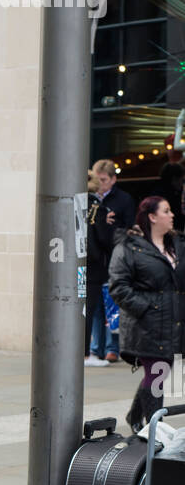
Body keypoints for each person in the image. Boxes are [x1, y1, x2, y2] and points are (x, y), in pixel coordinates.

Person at [107, 195, 185, 433]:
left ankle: (135, 415)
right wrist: (147, 308)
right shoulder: (129, 247)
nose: (172, 215)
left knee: (164, 374)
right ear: (152, 217)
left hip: (176, 323)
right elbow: (119, 286)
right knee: (158, 375)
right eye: (166, 211)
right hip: (147, 324)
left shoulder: (178, 244)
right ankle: (155, 432)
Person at [85, 170, 116, 367]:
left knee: (85, 310)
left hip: (81, 265)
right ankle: (87, 353)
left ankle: (87, 351)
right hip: (96, 267)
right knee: (92, 309)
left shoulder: (77, 205)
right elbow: (105, 238)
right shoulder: (98, 208)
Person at [159, 139, 185, 231]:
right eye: (181, 180)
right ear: (175, 179)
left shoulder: (159, 193)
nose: (182, 183)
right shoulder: (168, 197)